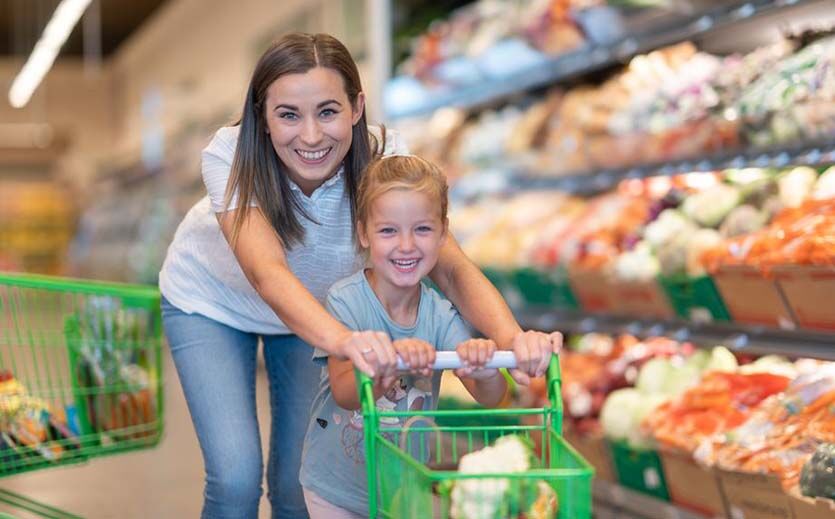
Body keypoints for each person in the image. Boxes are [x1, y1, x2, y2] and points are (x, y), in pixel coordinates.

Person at [158, 32, 561, 519]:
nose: (310, 136)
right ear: (262, 116)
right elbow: (266, 273)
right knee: (236, 475)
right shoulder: (230, 154)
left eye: (327, 111)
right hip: (212, 304)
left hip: (311, 315)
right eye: (288, 115)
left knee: (297, 480)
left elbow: (451, 266)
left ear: (356, 107)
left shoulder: (383, 156)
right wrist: (347, 342)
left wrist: (510, 339)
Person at [300, 154, 508, 518]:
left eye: (422, 230)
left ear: (443, 232)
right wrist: (392, 362)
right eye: (388, 231)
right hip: (336, 488)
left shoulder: (440, 315)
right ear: (364, 232)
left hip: (403, 486)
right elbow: (345, 393)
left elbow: (491, 397)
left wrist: (483, 365)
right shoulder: (346, 301)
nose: (407, 245)